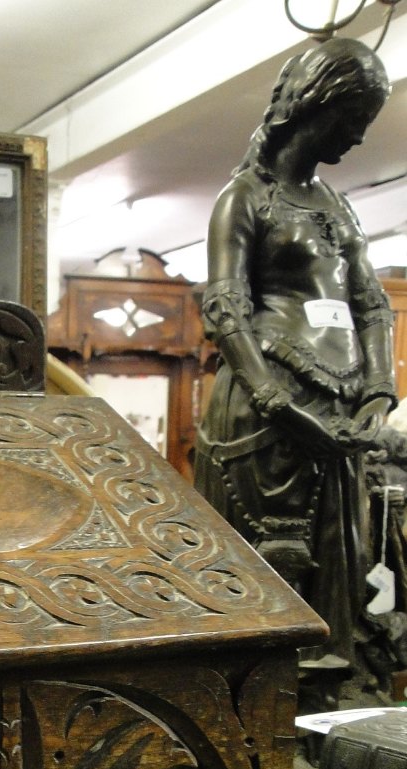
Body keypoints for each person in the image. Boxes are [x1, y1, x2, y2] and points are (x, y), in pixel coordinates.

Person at [195, 38, 395, 679]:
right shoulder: (244, 199)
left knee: (342, 564)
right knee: (272, 558)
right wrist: (277, 401)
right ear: (317, 106)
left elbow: (371, 305)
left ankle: (324, 710)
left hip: (340, 409)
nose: (358, 140)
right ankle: (253, 712)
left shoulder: (339, 206)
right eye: (353, 121)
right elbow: (225, 309)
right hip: (264, 411)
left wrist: (378, 391)